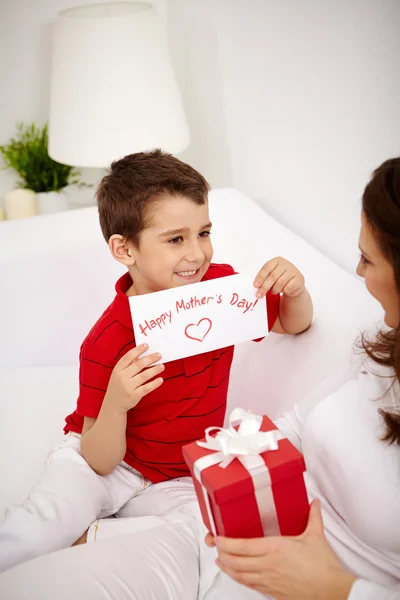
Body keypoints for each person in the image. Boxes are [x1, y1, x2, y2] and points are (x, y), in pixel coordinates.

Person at [0, 149, 313, 573]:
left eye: (203, 232)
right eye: (175, 239)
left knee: (212, 533)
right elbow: (98, 458)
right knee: (44, 523)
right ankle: (58, 536)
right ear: (124, 249)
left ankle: (90, 539)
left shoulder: (220, 290)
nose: (197, 253)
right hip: (103, 461)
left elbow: (292, 325)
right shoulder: (106, 339)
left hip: (177, 473)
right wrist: (115, 403)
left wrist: (295, 290)